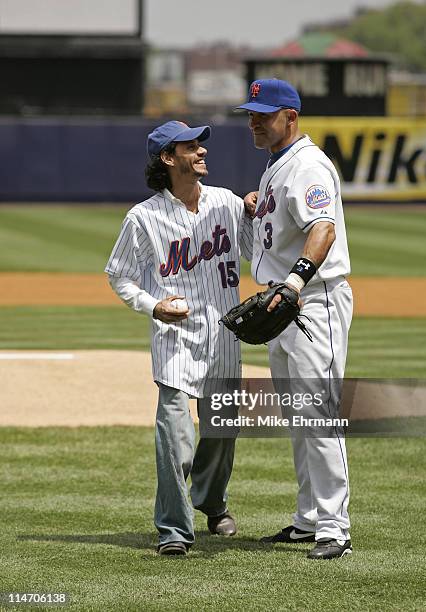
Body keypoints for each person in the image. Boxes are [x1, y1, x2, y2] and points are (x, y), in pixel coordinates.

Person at [105, 121, 253, 556]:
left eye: (200, 144)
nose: (201, 151)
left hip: (225, 335)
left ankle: (212, 501)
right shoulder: (144, 217)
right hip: (176, 338)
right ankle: (173, 529)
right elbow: (119, 275)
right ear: (169, 159)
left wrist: (254, 209)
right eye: (191, 146)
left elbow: (252, 248)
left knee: (222, 433)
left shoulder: (225, 202)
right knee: (174, 433)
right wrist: (153, 306)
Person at [236, 79, 353, 559]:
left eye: (265, 113)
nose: (255, 121)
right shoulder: (276, 167)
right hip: (285, 303)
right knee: (297, 416)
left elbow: (322, 228)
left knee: (318, 414)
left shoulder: (306, 165)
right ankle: (309, 520)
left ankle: (335, 528)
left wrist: (296, 282)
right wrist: (252, 209)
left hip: (312, 302)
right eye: (252, 112)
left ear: (292, 116)